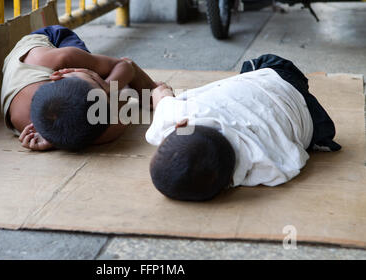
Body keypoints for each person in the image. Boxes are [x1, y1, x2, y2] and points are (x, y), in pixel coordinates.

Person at [146, 54, 341, 201]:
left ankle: (320, 136)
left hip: (310, 117)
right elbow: (161, 94)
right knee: (257, 65)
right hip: (273, 78)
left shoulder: (266, 167)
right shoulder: (178, 113)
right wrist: (159, 90)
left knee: (316, 133)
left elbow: (296, 159)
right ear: (182, 124)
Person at [1, 25, 157, 151]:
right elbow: (126, 101)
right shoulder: (102, 132)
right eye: (99, 87)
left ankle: (146, 86)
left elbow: (123, 65)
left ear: (60, 74)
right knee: (116, 87)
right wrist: (56, 141)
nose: (103, 90)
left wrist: (108, 85)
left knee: (107, 70)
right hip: (48, 67)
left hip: (51, 39)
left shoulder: (61, 59)